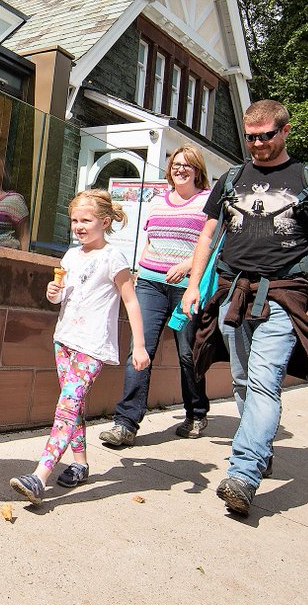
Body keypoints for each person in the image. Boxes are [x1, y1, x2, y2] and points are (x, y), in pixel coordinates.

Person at [181, 100, 308, 517]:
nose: (257, 144)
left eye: (265, 136)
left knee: (263, 382)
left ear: (285, 131)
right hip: (232, 293)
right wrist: (193, 285)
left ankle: (243, 474)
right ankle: (259, 448)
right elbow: (208, 234)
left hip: (283, 296)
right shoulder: (232, 177)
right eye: (250, 137)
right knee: (240, 379)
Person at [8, 190, 148, 506]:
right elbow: (60, 297)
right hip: (65, 339)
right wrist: (53, 291)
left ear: (105, 221)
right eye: (74, 220)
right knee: (75, 405)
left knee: (67, 406)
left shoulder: (114, 258)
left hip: (93, 345)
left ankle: (39, 476)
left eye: (86, 220)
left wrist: (139, 346)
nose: (79, 226)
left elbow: (131, 301)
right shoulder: (71, 256)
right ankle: (80, 463)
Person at [100, 147, 212, 448]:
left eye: (188, 165)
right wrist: (140, 269)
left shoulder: (206, 200)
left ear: (197, 169)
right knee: (140, 350)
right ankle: (125, 424)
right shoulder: (159, 199)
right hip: (150, 282)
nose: (181, 169)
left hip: (187, 286)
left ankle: (196, 412)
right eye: (176, 164)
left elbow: (211, 245)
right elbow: (150, 238)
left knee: (188, 353)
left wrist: (187, 266)